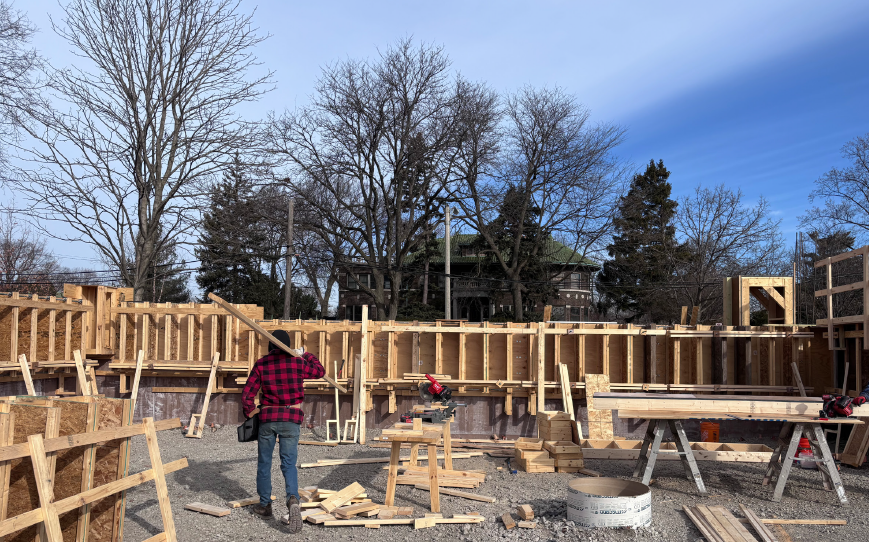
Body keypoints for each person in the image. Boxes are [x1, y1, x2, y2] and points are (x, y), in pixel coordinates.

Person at [241, 329, 324, 534]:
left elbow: (247, 394)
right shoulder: (298, 363)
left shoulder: (262, 364)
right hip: (291, 419)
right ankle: (292, 499)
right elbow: (319, 371)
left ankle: (265, 505)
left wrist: (250, 414)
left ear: (270, 346)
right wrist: (304, 353)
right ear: (289, 346)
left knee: (264, 463)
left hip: (268, 419)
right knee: (288, 463)